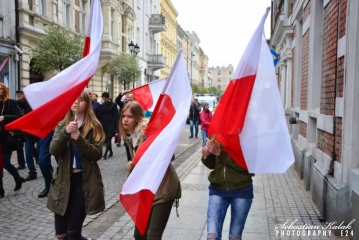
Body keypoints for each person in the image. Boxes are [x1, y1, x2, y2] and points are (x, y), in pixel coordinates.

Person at [47, 91, 106, 239]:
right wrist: (66, 133)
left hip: (84, 181)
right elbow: (54, 150)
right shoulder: (62, 125)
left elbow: (96, 154)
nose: (75, 102)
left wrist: (79, 139)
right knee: (61, 234)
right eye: (72, 100)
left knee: (73, 233)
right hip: (63, 182)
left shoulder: (94, 126)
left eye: (80, 100)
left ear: (87, 104)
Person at [120, 101, 181, 239]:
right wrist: (132, 165)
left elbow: (170, 155)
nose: (125, 119)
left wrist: (152, 142)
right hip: (145, 190)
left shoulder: (148, 132)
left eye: (129, 116)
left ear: (137, 117)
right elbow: (141, 162)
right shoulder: (131, 137)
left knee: (153, 235)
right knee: (139, 235)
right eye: (123, 116)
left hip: (163, 188)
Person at [201, 139, 254, 240]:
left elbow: (247, 166)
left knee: (235, 236)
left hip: (241, 190)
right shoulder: (216, 133)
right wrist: (207, 155)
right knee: (212, 236)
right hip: (217, 189)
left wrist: (220, 153)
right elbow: (213, 165)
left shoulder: (247, 134)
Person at [0, 83, 25, 198]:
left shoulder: (11, 102)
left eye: (0, 89)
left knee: (5, 162)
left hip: (7, 137)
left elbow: (20, 116)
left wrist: (5, 118)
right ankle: (1, 189)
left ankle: (17, 178)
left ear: (4, 90)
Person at [16, 89, 40, 181]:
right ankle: (32, 173)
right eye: (18, 94)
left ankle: (48, 168)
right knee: (28, 153)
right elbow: (18, 103)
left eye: (21, 94)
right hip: (28, 133)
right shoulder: (24, 103)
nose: (19, 95)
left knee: (43, 154)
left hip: (38, 132)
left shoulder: (39, 102)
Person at [100, 92, 118, 159]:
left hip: (111, 124)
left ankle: (105, 153)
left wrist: (116, 126)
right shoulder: (102, 105)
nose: (104, 100)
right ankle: (111, 152)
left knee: (109, 138)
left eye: (105, 98)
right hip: (104, 124)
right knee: (107, 139)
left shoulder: (113, 104)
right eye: (103, 98)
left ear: (108, 98)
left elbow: (116, 115)